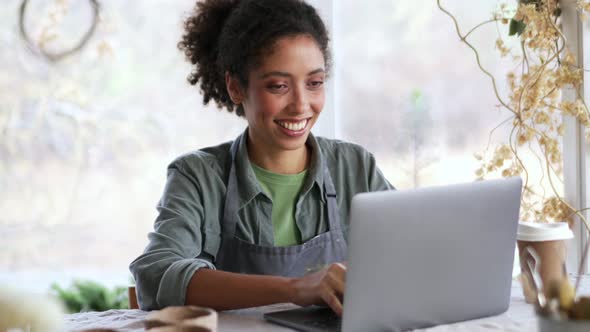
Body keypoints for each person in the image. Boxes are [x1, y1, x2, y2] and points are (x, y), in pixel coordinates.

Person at [129, 0, 394, 315]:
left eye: (314, 83)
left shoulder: (355, 167)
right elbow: (155, 276)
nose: (300, 105)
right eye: (279, 86)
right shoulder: (197, 176)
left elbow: (412, 251)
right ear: (236, 87)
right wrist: (296, 288)